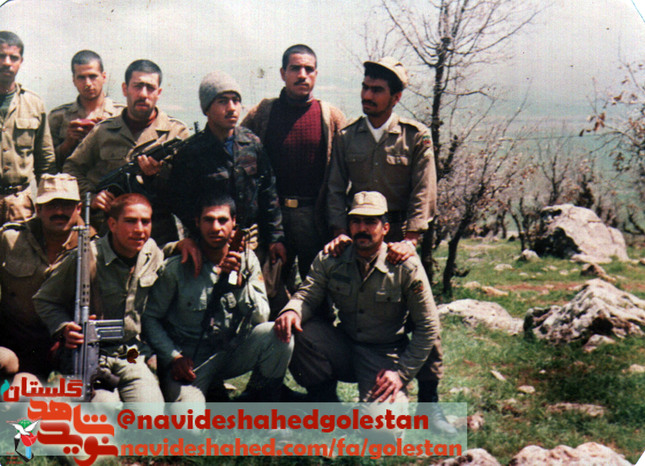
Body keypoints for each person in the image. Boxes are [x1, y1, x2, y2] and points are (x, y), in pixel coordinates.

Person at [325, 59, 451, 428]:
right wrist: (340, 231)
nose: (367, 95)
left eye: (377, 90)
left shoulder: (415, 136)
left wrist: (410, 239)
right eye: (365, 87)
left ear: (395, 97)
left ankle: (430, 403)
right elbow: (334, 188)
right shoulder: (348, 137)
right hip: (361, 233)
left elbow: (424, 190)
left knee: (421, 314)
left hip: (401, 235)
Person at [274, 192, 440, 409]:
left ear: (385, 228)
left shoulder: (405, 267)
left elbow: (428, 325)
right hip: (343, 345)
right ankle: (326, 404)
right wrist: (292, 311)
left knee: (383, 427)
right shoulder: (332, 257)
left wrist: (401, 374)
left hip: (383, 355)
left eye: (371, 222)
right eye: (356, 221)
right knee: (294, 329)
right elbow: (308, 294)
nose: (362, 228)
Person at [142, 193, 293, 403]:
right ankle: (208, 390)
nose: (215, 228)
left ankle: (260, 399)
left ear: (233, 222)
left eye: (222, 220)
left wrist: (240, 286)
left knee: (277, 336)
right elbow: (150, 318)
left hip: (228, 351)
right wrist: (173, 356)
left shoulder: (247, 260)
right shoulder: (178, 266)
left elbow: (261, 317)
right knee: (188, 421)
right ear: (197, 222)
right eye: (208, 220)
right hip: (188, 360)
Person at [33, 193, 164, 404]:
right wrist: (64, 327)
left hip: (131, 354)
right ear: (112, 224)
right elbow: (44, 299)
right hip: (94, 354)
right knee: (106, 408)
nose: (139, 229)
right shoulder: (85, 258)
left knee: (150, 413)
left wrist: (180, 245)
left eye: (145, 221)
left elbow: (168, 258)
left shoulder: (151, 252)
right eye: (130, 221)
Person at [242, 44, 346, 290]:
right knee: (270, 289)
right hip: (272, 219)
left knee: (319, 289)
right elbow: (240, 151)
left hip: (315, 218)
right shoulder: (263, 112)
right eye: (295, 68)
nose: (302, 75)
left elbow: (345, 171)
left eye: (309, 69)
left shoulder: (330, 116)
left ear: (316, 74)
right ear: (282, 73)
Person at [63, 59, 189, 245]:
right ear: (125, 89)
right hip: (110, 234)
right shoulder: (103, 131)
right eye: (137, 86)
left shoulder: (176, 133)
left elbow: (187, 187)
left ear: (159, 92)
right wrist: (91, 197)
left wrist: (159, 175)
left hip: (159, 234)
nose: (143, 94)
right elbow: (71, 168)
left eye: (150, 88)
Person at [169, 71, 285, 264]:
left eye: (236, 101)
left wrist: (275, 238)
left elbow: (269, 193)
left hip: (250, 243)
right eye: (222, 101)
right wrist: (211, 233)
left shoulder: (251, 144)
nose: (231, 108)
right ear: (207, 109)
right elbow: (180, 202)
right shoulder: (191, 152)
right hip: (209, 246)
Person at [0, 174, 87, 380]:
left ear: (79, 208)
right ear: (38, 209)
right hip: (14, 342)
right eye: (51, 205)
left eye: (66, 205)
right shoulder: (10, 239)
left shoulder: (90, 248)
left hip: (65, 349)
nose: (59, 212)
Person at [0, 31, 55, 224]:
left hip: (20, 204)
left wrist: (46, 204)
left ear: (21, 61)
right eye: (1, 56)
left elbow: (45, 160)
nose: (7, 62)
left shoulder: (34, 104)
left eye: (13, 57)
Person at [49, 50, 124, 170]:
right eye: (81, 77)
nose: (88, 83)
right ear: (74, 80)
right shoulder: (58, 117)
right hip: (70, 180)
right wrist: (68, 142)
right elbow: (47, 163)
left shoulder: (121, 115)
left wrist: (107, 136)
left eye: (93, 76)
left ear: (104, 77)